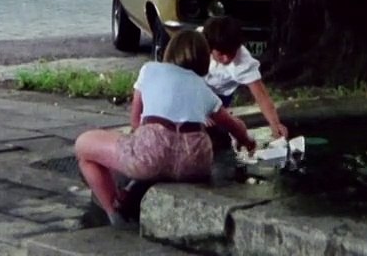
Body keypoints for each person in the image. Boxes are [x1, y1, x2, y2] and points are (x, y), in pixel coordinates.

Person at [74, 31, 255, 227]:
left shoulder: (150, 69)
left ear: (170, 51)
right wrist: (247, 140)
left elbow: (136, 121)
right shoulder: (203, 88)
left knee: (84, 146)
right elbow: (233, 125)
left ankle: (115, 213)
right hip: (195, 162)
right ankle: (138, 186)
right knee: (165, 160)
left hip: (152, 152)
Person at [203, 16, 289, 140]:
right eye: (221, 54)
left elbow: (261, 95)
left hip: (222, 93)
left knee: (219, 124)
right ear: (210, 48)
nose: (227, 59)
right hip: (195, 86)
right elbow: (185, 83)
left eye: (231, 52)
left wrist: (275, 124)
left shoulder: (243, 61)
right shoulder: (197, 49)